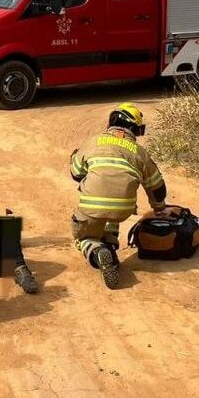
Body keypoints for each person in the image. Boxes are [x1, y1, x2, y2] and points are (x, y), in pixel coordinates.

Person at [69, 103, 168, 290]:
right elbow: (157, 186)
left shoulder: (94, 141)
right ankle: (111, 247)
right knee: (112, 213)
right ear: (133, 129)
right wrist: (159, 207)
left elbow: (75, 173)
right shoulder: (140, 153)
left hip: (92, 206)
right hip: (123, 209)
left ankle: (97, 251)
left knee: (83, 237)